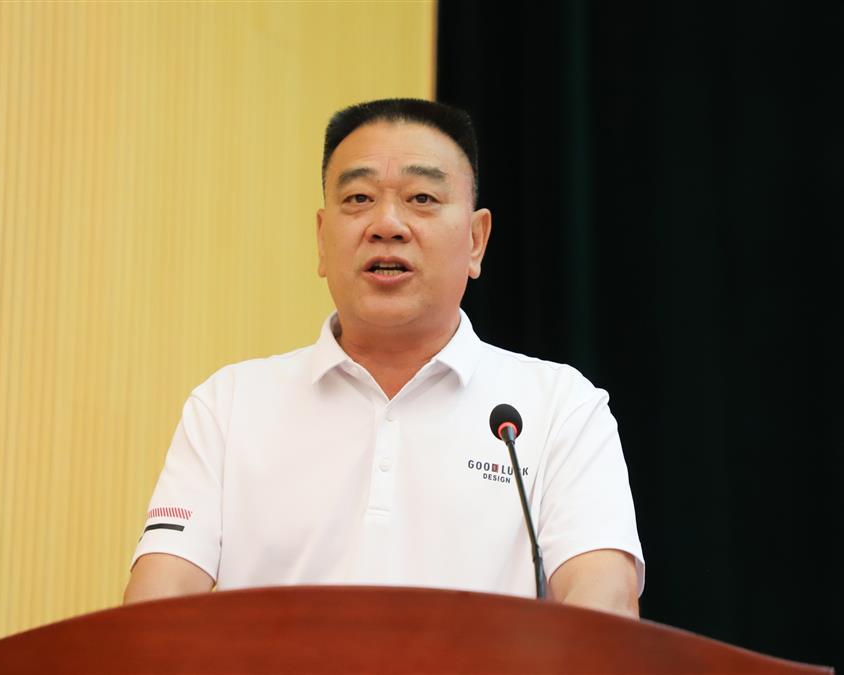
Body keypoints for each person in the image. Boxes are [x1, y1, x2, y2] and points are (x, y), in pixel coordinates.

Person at [123, 99, 644, 618]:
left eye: (421, 198)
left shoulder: (558, 407)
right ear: (321, 239)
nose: (387, 224)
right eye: (358, 198)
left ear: (476, 241)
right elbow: (155, 605)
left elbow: (605, 600)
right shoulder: (229, 404)